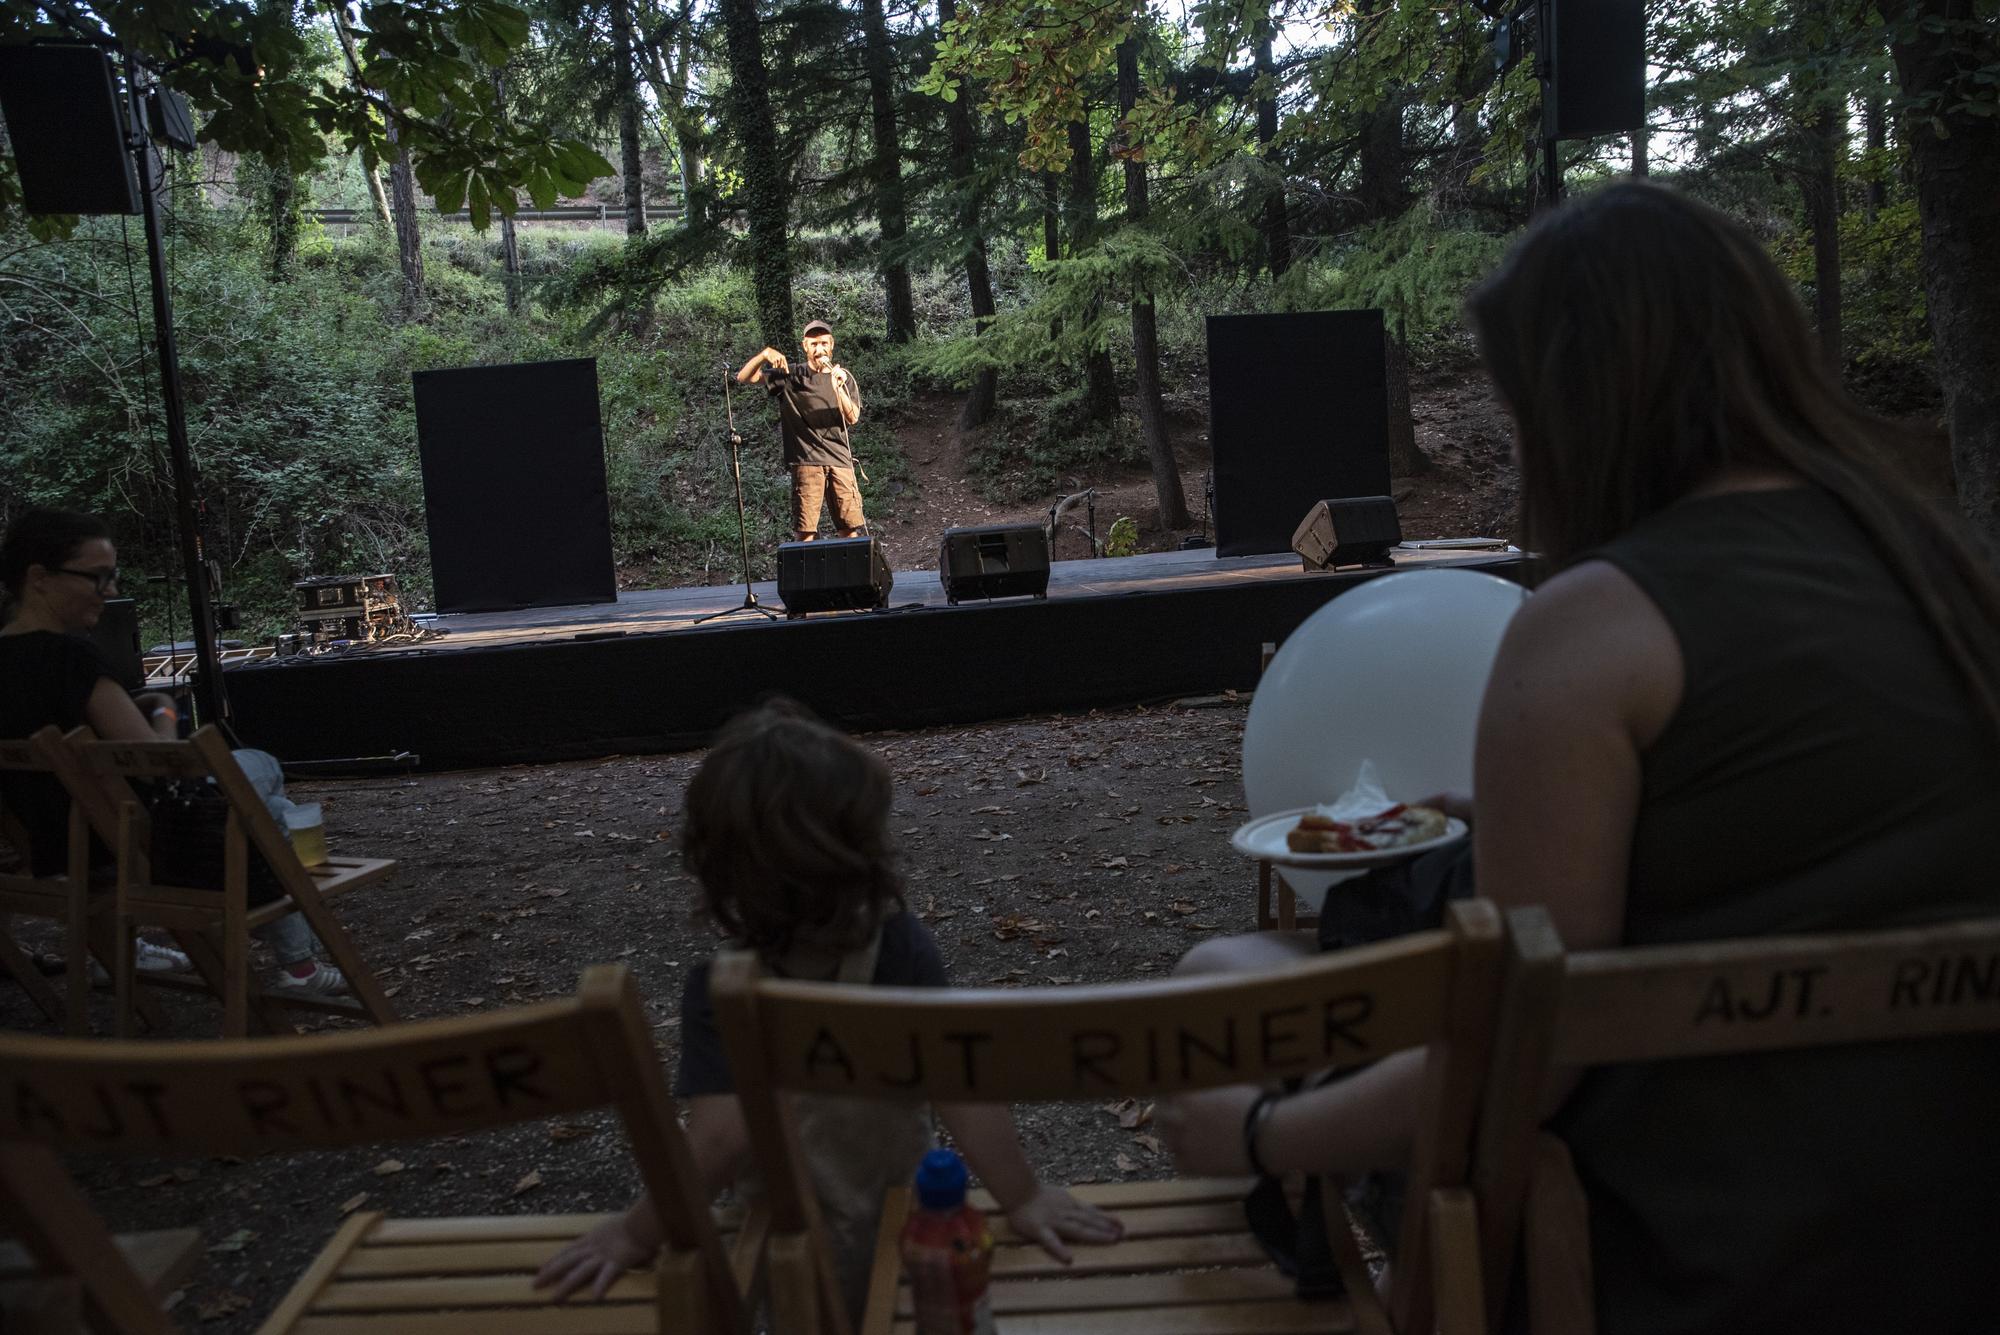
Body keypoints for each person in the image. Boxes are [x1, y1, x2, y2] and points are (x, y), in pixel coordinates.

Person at [1158, 182, 2000, 1335]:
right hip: (1949, 1215)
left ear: (1576, 395)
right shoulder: (1942, 568)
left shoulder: (1600, 624)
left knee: (1226, 998)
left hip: (1694, 1244)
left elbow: (1526, 1060)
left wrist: (1258, 1134)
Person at [534, 699, 1120, 1321]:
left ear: (720, 869)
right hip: (905, 1217)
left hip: (785, 1238)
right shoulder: (899, 949)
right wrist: (1022, 1197)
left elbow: (717, 1146)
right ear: (863, 850)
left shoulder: (724, 989)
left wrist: (633, 1234)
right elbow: (962, 1089)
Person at [0, 508, 349, 998]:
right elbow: (159, 766)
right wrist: (164, 713)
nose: (111, 590)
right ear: (38, 577)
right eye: (96, 577)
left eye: (112, 575)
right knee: (263, 773)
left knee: (270, 810)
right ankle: (300, 967)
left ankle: (296, 965)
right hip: (145, 839)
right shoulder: (69, 658)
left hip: (62, 843)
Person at [736, 319, 868, 542]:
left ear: (832, 345)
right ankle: (808, 576)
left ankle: (852, 577)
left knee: (849, 529)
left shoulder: (843, 378)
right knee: (805, 532)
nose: (820, 349)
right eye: (814, 344)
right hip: (806, 463)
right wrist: (764, 354)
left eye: (824, 343)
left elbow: (852, 417)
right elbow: (743, 377)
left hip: (841, 462)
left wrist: (838, 388)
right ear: (805, 346)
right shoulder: (790, 375)